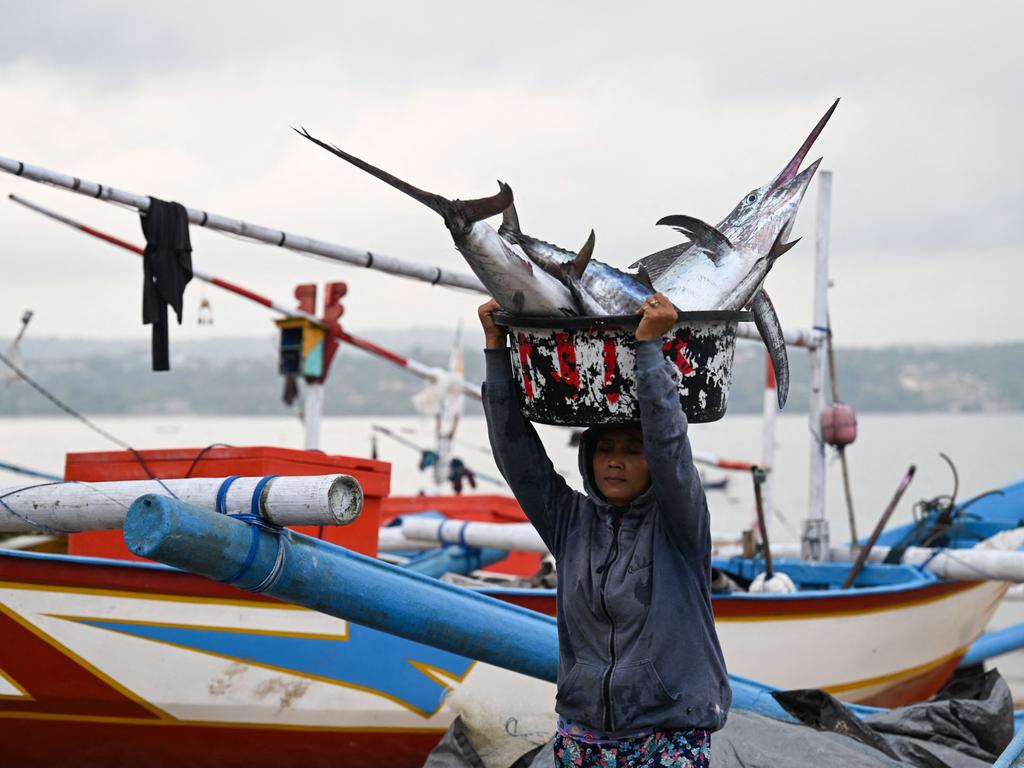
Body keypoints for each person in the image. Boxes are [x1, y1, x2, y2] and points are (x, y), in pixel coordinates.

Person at [479, 292, 729, 768]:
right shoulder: (569, 522)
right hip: (583, 733)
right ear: (588, 459)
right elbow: (517, 456)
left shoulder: (679, 525)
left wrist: (650, 351)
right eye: (604, 449)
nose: (615, 460)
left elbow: (671, 447)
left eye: (633, 451)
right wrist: (496, 351)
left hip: (667, 733)